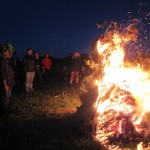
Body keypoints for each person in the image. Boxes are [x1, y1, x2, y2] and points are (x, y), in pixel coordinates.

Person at [0, 44, 15, 117]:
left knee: (8, 96)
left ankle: (7, 109)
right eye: (7, 52)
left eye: (9, 52)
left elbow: (11, 70)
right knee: (5, 97)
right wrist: (5, 84)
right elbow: (2, 74)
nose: (9, 53)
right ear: (4, 53)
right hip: (6, 83)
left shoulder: (8, 60)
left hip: (10, 81)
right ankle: (4, 112)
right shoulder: (1, 61)